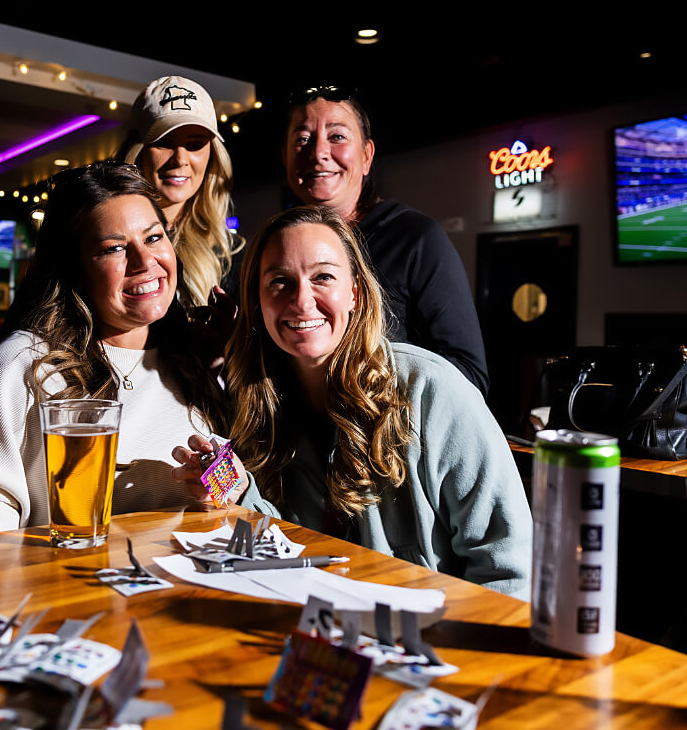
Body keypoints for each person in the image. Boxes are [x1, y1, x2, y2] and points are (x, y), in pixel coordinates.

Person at [181, 205, 531, 597]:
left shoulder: (430, 389)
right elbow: (289, 554)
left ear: (354, 294)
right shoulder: (257, 404)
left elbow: (508, 569)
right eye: (279, 281)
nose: (301, 300)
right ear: (257, 302)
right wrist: (238, 493)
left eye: (323, 277)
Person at [0, 162, 268, 536]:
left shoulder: (198, 361)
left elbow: (237, 507)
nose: (145, 262)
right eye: (114, 248)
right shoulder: (26, 365)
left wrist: (224, 484)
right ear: (74, 268)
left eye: (153, 238)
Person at [283, 86, 489, 397]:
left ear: (366, 156)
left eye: (337, 136)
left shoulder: (415, 238)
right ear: (284, 157)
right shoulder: (277, 249)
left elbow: (469, 376)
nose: (318, 153)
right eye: (302, 139)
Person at [120, 75, 243, 307]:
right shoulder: (105, 240)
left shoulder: (230, 254)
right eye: (164, 142)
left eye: (195, 144)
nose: (180, 160)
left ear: (212, 155)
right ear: (137, 150)